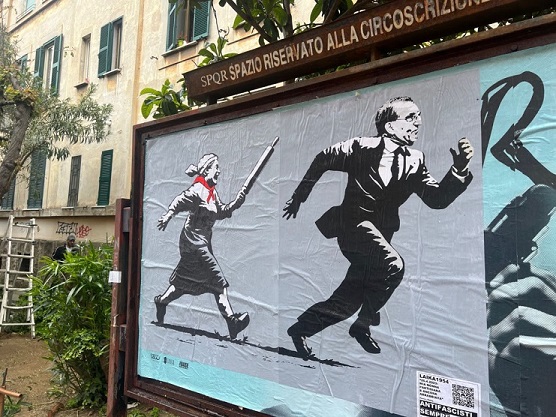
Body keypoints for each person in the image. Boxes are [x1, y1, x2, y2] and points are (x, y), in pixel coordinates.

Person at [283, 96, 474, 358]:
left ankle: (301, 329)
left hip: (381, 235)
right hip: (353, 227)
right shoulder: (360, 147)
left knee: (348, 300)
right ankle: (364, 325)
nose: (418, 123)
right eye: (411, 117)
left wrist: (459, 169)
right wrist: (299, 196)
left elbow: (437, 199)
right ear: (389, 125)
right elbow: (322, 159)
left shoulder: (416, 160)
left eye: (419, 117)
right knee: (394, 265)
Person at [154, 153, 250, 340]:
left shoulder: (212, 192)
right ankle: (232, 322)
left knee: (183, 284)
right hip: (193, 243)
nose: (219, 171)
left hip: (202, 243)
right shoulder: (198, 189)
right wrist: (168, 215)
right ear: (207, 170)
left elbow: (221, 212)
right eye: (216, 168)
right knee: (218, 281)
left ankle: (161, 301)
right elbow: (180, 201)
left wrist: (236, 203)